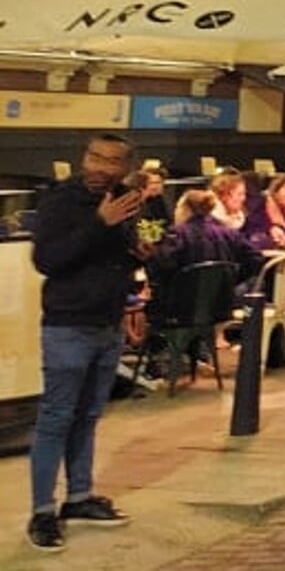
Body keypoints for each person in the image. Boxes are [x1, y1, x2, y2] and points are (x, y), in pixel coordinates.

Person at [28, 133, 144, 551]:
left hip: (108, 325)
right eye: (95, 157)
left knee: (89, 415)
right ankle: (42, 511)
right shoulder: (61, 201)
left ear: (125, 167)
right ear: (84, 158)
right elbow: (47, 261)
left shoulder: (126, 200)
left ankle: (78, 498)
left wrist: (139, 254)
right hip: (67, 326)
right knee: (56, 418)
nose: (100, 167)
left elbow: (116, 258)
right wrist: (99, 224)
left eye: (112, 161)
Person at [149, 188, 261, 290]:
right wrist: (230, 281)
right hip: (220, 302)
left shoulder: (177, 234)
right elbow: (255, 257)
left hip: (181, 302)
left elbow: (162, 266)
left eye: (177, 207)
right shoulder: (230, 234)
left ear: (186, 208)